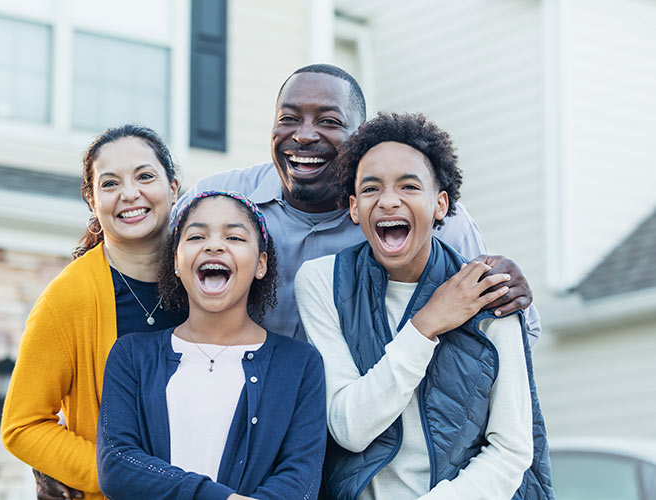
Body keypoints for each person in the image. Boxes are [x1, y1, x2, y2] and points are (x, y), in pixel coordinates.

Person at [177, 64, 541, 344]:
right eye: (288, 119)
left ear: (360, 136)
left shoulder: (428, 219)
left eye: (329, 121)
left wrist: (509, 291)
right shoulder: (216, 202)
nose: (303, 135)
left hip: (370, 428)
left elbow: (515, 331)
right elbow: (152, 272)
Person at [294, 112, 553, 499]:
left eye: (409, 187)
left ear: (440, 204)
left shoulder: (490, 292)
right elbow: (348, 427)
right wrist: (425, 325)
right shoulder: (320, 282)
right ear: (353, 207)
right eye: (370, 189)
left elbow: (511, 450)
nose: (388, 201)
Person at [97, 191, 327, 499]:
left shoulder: (300, 364)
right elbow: (117, 464)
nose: (214, 245)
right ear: (176, 263)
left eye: (234, 237)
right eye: (196, 237)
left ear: (260, 265)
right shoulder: (131, 355)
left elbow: (301, 480)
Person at [1, 125, 186, 500]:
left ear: (173, 187)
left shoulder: (208, 277)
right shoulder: (68, 298)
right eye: (110, 183)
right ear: (91, 200)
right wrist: (114, 475)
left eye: (145, 176)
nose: (130, 194)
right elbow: (22, 424)